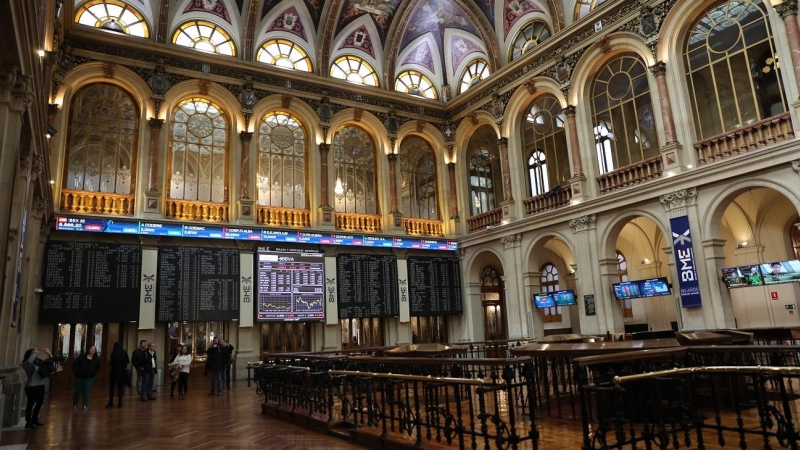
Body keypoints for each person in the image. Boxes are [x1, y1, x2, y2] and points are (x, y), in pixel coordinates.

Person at [22, 347, 51, 429]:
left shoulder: (39, 362)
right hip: (31, 386)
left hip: (40, 385)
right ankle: (28, 422)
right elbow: (29, 361)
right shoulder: (27, 364)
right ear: (29, 355)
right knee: (30, 404)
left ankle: (35, 419)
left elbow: (51, 363)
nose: (35, 354)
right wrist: (35, 353)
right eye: (32, 353)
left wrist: (49, 354)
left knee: (39, 403)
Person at [73, 345, 101, 411]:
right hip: (79, 377)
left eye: (94, 349)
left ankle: (85, 405)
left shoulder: (96, 359)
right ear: (89, 349)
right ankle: (75, 404)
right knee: (77, 391)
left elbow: (98, 368)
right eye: (91, 348)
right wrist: (77, 372)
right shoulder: (82, 357)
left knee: (86, 391)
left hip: (89, 378)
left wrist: (93, 373)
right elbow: (75, 364)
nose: (93, 350)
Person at [106, 342, 129, 408]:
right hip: (122, 372)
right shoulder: (124, 352)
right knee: (120, 388)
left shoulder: (113, 353)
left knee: (112, 387)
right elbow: (127, 361)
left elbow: (111, 363)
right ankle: (120, 402)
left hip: (114, 371)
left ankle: (111, 402)